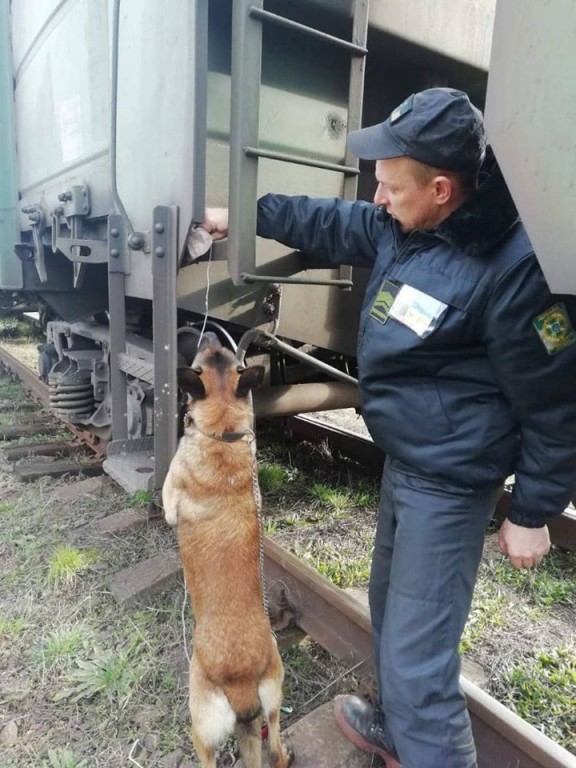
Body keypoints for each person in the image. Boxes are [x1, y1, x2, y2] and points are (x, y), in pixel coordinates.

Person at [201, 88, 576, 768]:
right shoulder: (406, 224)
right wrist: (244, 215)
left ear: (441, 189)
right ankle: (398, 733)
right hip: (408, 461)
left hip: (452, 481)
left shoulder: (516, 271)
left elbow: (556, 402)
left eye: (391, 187)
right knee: (387, 604)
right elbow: (330, 220)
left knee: (417, 656)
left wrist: (533, 511)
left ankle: (427, 741)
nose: (377, 198)